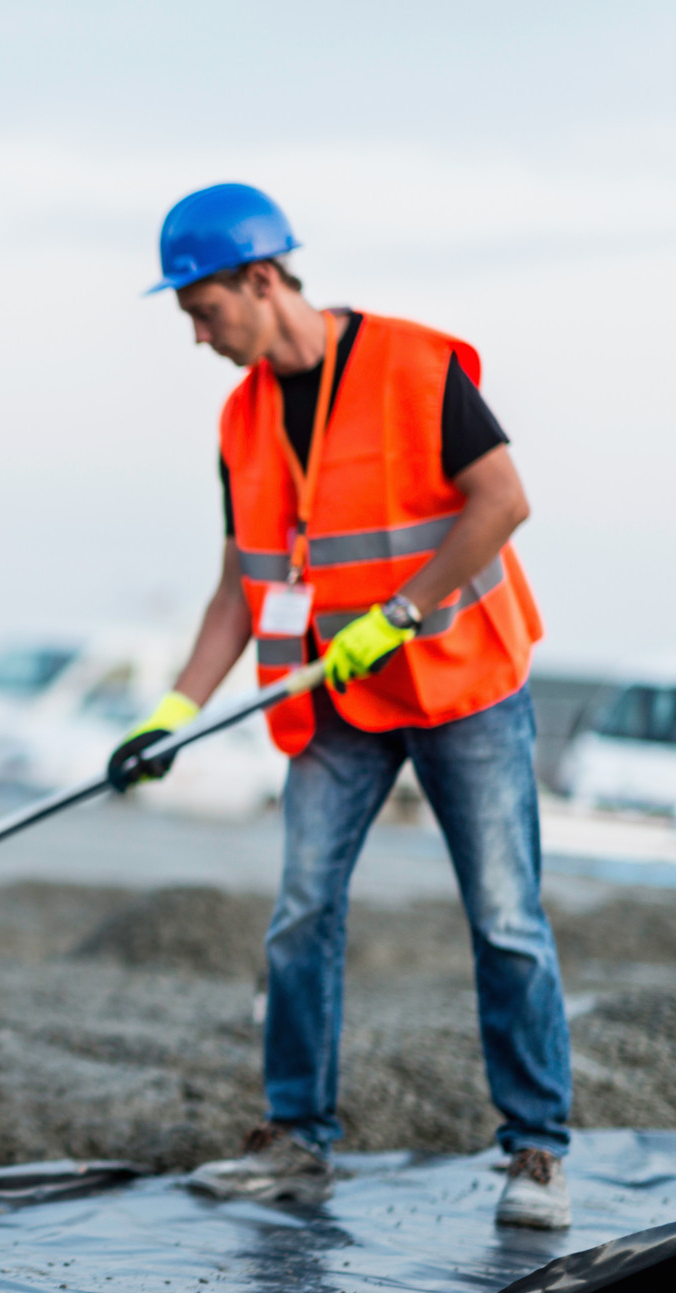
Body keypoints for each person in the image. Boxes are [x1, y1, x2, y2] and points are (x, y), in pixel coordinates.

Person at [107, 183, 572, 1230]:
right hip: (339, 704)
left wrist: (402, 611)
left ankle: (538, 1152)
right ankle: (296, 1141)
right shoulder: (241, 421)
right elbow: (237, 591)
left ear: (260, 279)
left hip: (461, 684)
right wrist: (171, 714)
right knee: (301, 914)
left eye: (203, 311)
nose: (198, 337)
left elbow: (503, 500)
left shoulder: (414, 366)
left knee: (505, 920)